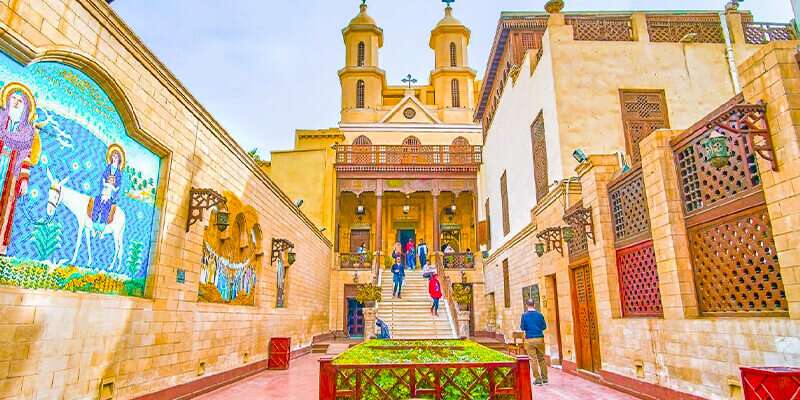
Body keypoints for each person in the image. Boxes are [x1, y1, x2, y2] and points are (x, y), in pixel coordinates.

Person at [0, 85, 41, 254]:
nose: (16, 103)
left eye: (20, 101)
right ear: (7, 100)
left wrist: (24, 180)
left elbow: (26, 157)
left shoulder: (27, 132)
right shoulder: (1, 119)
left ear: (26, 107)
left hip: (11, 172)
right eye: (14, 99)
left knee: (5, 208)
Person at [89, 144, 125, 235]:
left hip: (110, 193)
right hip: (104, 191)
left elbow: (118, 186)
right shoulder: (108, 167)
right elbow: (103, 178)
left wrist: (113, 189)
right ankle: (94, 223)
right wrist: (105, 183)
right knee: (97, 201)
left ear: (119, 159)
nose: (114, 158)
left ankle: (101, 227)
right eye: (113, 156)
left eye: (116, 157)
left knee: (106, 206)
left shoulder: (119, 173)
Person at [520, 298, 548, 385]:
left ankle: (538, 379)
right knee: (542, 359)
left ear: (526, 305)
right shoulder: (540, 315)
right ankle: (545, 378)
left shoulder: (524, 315)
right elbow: (544, 327)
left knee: (533, 359)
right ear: (534, 305)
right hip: (539, 338)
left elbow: (522, 327)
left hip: (530, 339)